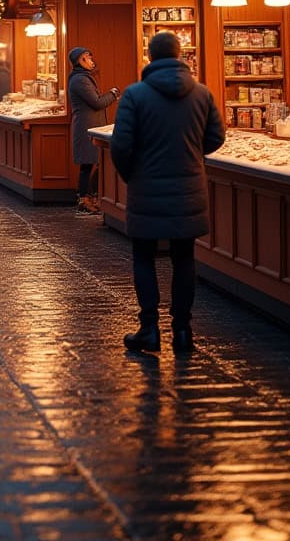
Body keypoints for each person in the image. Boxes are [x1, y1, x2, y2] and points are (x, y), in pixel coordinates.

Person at [110, 30, 225, 356]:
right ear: (180, 54)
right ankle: (183, 330)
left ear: (149, 56)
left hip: (146, 187)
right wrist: (192, 155)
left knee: (144, 257)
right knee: (184, 258)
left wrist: (131, 172)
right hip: (189, 187)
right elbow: (216, 136)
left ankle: (149, 329)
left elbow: (121, 144)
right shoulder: (201, 94)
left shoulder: (135, 95)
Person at [67, 47, 119, 218]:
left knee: (90, 163)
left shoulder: (80, 78)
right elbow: (96, 102)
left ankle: (89, 198)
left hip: (88, 125)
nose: (91, 61)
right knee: (89, 164)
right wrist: (112, 94)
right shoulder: (81, 80)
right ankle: (86, 199)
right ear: (80, 61)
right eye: (88, 58)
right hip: (87, 127)